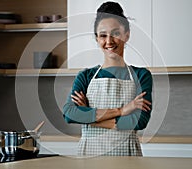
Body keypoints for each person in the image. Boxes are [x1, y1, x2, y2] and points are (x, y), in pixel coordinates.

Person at [63, 1, 152, 156]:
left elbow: (139, 121)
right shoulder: (85, 76)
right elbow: (70, 114)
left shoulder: (141, 75)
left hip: (127, 157)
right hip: (89, 158)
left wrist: (89, 116)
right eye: (103, 35)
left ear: (127, 35)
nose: (109, 41)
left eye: (116, 33)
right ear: (97, 38)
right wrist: (122, 111)